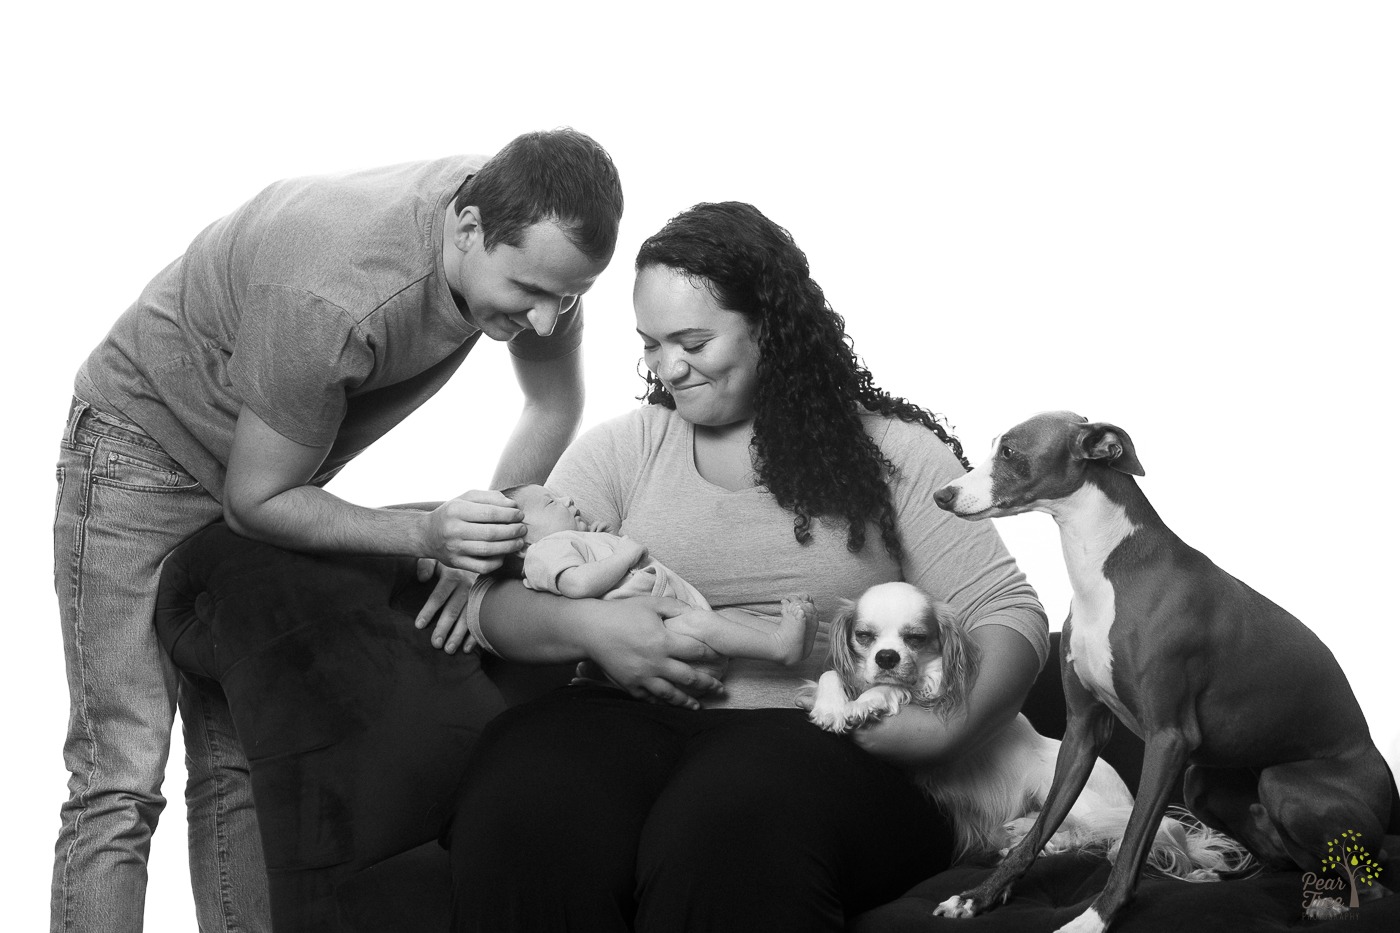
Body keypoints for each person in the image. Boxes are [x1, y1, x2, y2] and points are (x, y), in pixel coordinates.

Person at [51, 128, 623, 933]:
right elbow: (259, 499)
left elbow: (553, 403)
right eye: (528, 289)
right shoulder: (338, 289)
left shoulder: (541, 257)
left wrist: (479, 549)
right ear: (466, 228)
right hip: (142, 452)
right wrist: (431, 534)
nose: (542, 318)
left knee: (241, 765)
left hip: (270, 466)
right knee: (119, 774)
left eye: (565, 297)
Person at [445, 201, 1051, 932]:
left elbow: (1007, 611)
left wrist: (939, 733)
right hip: (625, 716)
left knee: (730, 825)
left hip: (812, 735)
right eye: (650, 345)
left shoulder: (893, 452)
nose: (668, 367)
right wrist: (592, 630)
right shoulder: (628, 447)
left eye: (693, 341)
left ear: (767, 325)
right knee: (530, 800)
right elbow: (498, 603)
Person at [502, 482, 818, 672]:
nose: (567, 500)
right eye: (550, 502)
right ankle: (779, 646)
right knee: (704, 623)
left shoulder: (572, 541)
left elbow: (592, 569)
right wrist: (622, 554)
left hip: (675, 627)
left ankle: (793, 639)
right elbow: (578, 584)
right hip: (661, 637)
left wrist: (603, 542)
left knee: (727, 618)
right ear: (520, 540)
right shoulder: (542, 551)